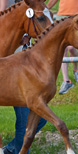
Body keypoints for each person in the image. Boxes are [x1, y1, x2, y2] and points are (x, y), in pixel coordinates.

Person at [1, 1, 47, 154]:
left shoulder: (22, 9)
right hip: (14, 75)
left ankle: (13, 148)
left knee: (40, 118)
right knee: (26, 118)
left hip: (18, 70)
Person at [47, 0, 78, 94]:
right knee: (63, 48)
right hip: (62, 16)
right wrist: (45, 9)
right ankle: (66, 81)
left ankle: (76, 69)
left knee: (71, 48)